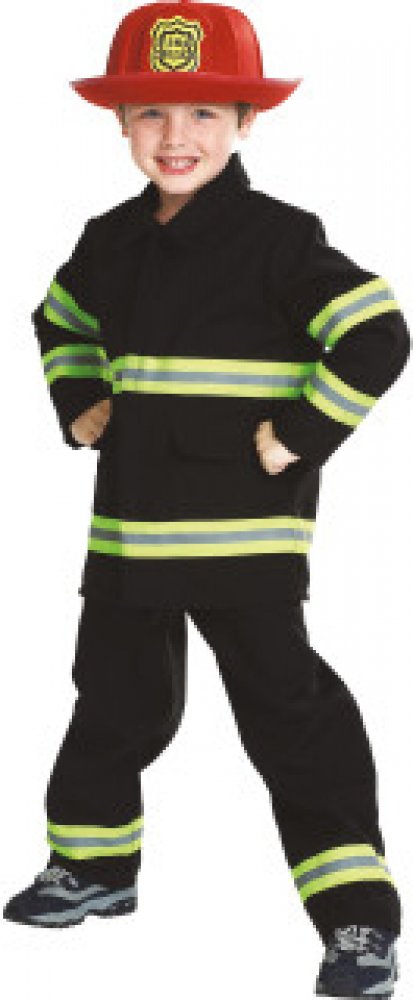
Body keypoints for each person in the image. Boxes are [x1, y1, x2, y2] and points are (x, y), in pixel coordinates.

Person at [4, 2, 410, 996]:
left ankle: (355, 916)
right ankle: (93, 864)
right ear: (120, 123)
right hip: (128, 534)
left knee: (288, 718)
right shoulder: (107, 241)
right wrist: (79, 398)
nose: (174, 135)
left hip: (244, 540)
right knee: (112, 702)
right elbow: (58, 318)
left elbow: (376, 333)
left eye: (201, 113)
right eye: (149, 112)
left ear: (244, 123)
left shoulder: (280, 240)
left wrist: (303, 430)